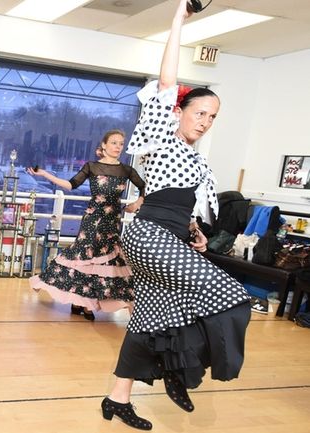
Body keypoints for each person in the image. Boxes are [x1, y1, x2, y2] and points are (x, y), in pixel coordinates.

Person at [100, 0, 251, 430]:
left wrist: (194, 234)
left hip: (169, 238)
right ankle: (179, 370)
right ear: (179, 111)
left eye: (212, 117)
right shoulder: (162, 138)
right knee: (231, 298)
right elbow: (168, 80)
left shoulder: (197, 160)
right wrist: (178, 19)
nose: (205, 121)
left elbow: (182, 206)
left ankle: (118, 397)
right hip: (148, 236)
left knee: (149, 316)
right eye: (199, 112)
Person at [27, 130, 145, 320]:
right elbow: (70, 184)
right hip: (92, 221)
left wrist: (137, 203)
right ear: (104, 145)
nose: (118, 147)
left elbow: (144, 186)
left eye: (121, 144)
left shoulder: (126, 170)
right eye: (114, 143)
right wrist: (44, 174)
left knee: (104, 263)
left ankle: (89, 304)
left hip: (112, 222)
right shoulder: (92, 166)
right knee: (85, 260)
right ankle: (80, 302)